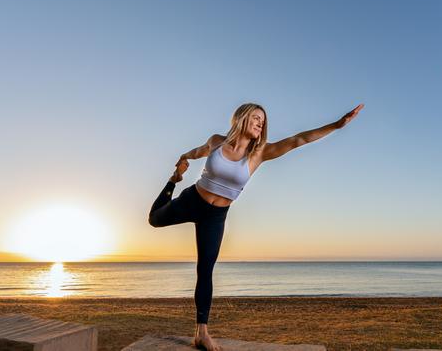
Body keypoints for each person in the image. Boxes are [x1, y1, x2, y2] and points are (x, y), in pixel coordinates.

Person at [148, 102, 364, 351]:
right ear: (241, 118)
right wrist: (184, 158)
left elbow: (298, 139)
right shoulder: (216, 142)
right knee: (154, 220)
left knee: (205, 269)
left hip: (215, 217)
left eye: (263, 120)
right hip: (191, 200)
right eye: (255, 118)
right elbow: (198, 151)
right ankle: (170, 183)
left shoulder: (259, 153)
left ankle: (201, 333)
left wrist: (337, 125)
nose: (261, 123)